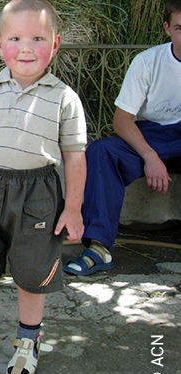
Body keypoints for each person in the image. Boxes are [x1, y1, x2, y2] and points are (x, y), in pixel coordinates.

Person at [0, 0, 87, 374]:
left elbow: (74, 156)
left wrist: (72, 208)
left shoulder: (64, 98)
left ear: (55, 45)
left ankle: (28, 341)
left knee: (32, 273)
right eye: (16, 38)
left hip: (38, 196)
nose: (26, 48)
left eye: (37, 38)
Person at [64, 0, 181, 276]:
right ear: (167, 28)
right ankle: (98, 248)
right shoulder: (148, 62)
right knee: (101, 152)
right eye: (180, 28)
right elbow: (122, 120)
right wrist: (150, 156)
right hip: (148, 134)